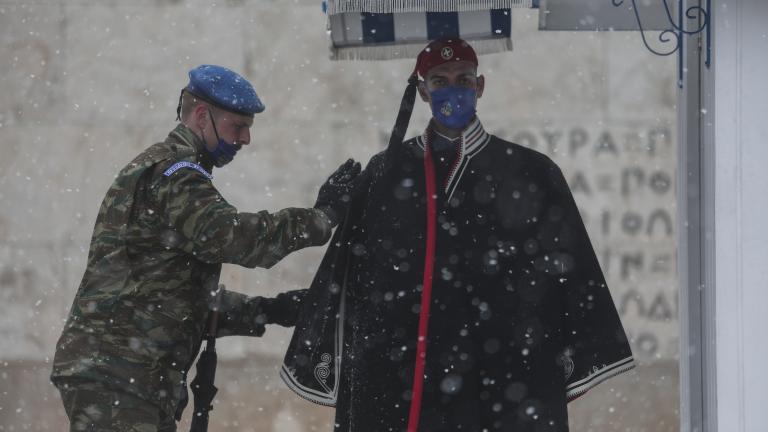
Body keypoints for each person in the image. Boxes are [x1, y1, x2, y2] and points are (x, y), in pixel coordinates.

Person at [282, 39, 635, 431]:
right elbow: (353, 279)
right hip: (406, 376)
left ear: (480, 85)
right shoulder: (387, 172)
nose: (453, 90)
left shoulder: (531, 173)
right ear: (422, 91)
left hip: (504, 373)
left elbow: (570, 274)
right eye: (440, 81)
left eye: (463, 79)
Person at [51, 64, 363, 431]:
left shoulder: (167, 170)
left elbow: (173, 296)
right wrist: (322, 217)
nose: (246, 138)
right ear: (202, 117)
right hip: (120, 374)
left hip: (126, 374)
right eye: (238, 126)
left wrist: (269, 310)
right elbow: (238, 238)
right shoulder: (174, 175)